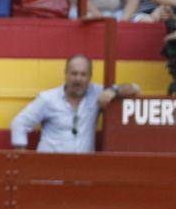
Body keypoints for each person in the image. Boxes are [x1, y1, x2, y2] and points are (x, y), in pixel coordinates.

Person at [10, 54, 139, 152]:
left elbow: (135, 88)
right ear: (66, 74)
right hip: (50, 173)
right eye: (74, 74)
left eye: (83, 74)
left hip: (81, 174)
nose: (78, 79)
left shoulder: (96, 93)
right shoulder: (48, 98)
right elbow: (19, 123)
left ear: (90, 77)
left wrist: (114, 90)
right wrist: (21, 157)